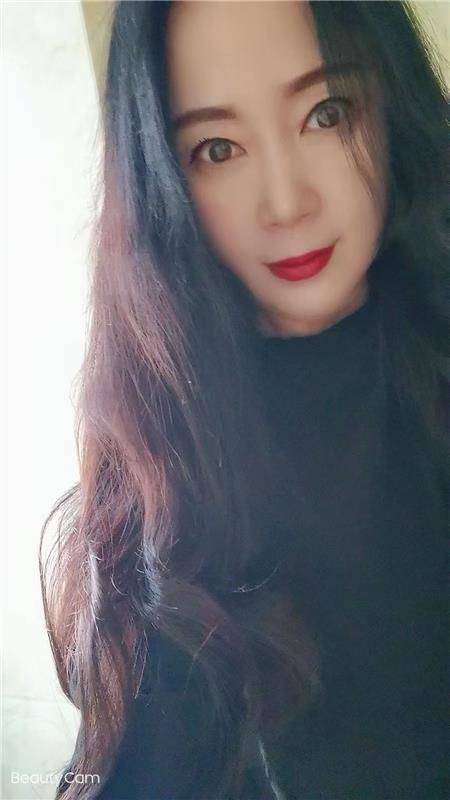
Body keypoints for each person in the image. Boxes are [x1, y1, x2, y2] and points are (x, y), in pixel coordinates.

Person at [40, 1, 449, 798]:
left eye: (326, 112)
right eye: (217, 149)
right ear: (165, 182)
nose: (287, 203)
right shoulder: (155, 501)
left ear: (390, 104)